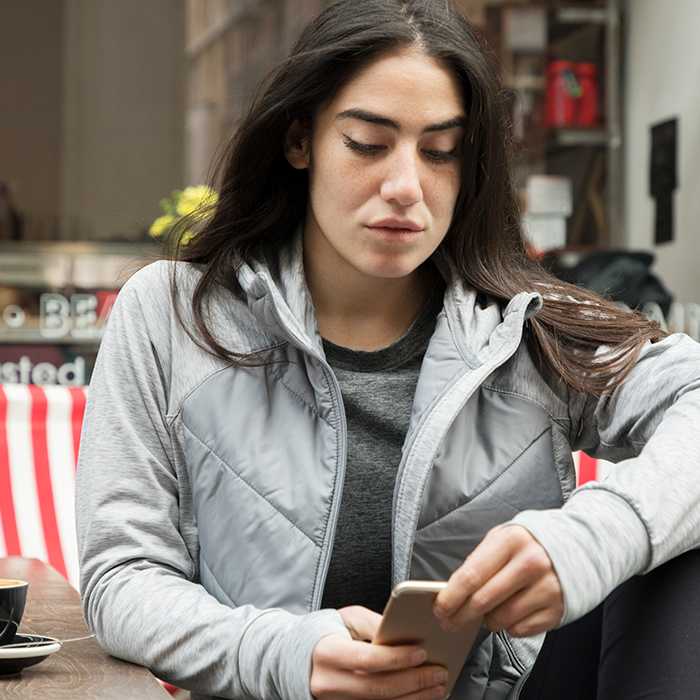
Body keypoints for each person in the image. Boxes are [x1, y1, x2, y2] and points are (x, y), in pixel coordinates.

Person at [75, 1, 700, 699]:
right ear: (298, 140)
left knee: (682, 539)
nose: (406, 187)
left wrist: (597, 537)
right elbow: (122, 579)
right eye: (368, 143)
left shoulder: (530, 326)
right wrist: (288, 655)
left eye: (440, 151)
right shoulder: (171, 314)